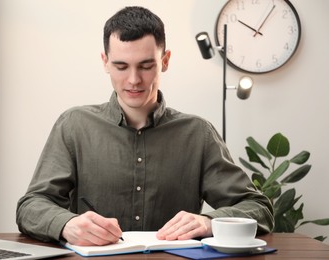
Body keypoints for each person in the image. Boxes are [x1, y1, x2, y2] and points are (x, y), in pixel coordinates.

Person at [16, 6, 274, 246]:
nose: (134, 80)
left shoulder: (198, 134)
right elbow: (31, 206)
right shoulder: (73, 125)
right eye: (121, 66)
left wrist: (208, 222)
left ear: (165, 60)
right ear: (105, 61)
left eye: (146, 65)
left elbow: (258, 208)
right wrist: (67, 224)